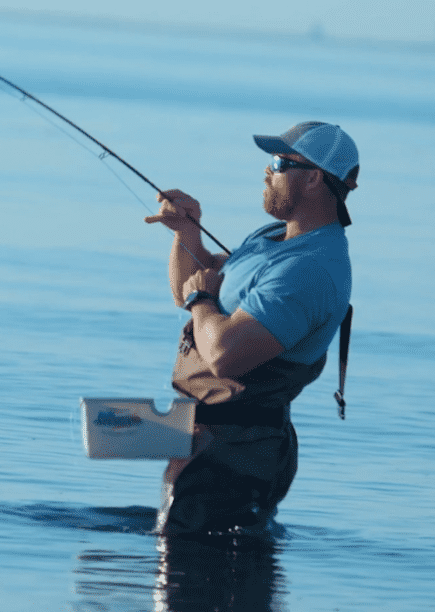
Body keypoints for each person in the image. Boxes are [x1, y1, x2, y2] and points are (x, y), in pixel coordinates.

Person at [145, 121, 359, 535]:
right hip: (209, 443)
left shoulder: (309, 270)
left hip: (236, 455)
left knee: (194, 585)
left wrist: (202, 301)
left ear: (314, 178)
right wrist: (187, 231)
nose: (266, 171)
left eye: (279, 162)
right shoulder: (273, 238)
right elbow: (189, 291)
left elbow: (226, 354)